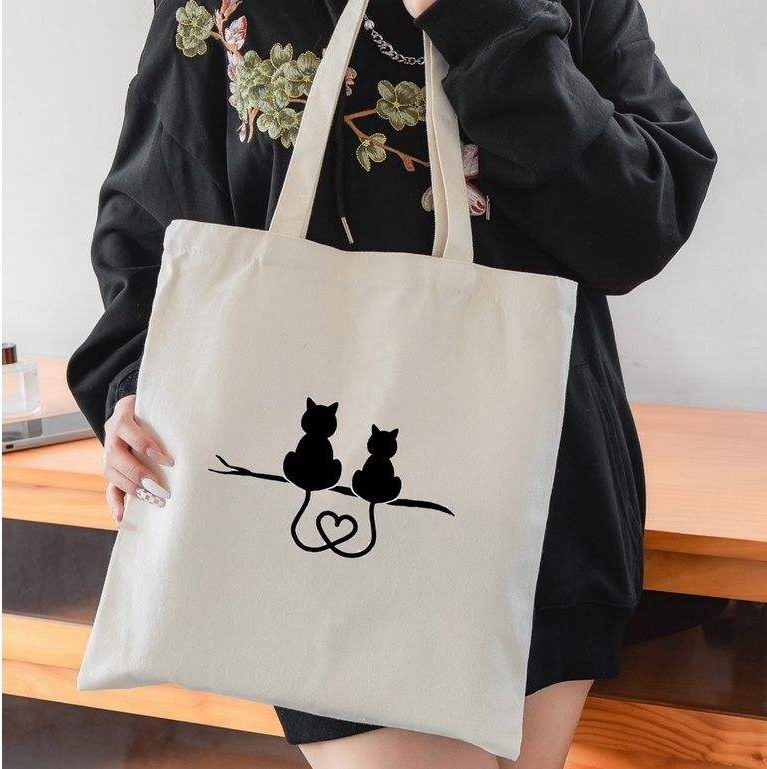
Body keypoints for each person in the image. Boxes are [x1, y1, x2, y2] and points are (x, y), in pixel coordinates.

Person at [67, 0, 716, 766]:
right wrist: (134, 382)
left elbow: (640, 222)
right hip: (316, 500)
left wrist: (473, 18)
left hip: (540, 493)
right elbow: (149, 218)